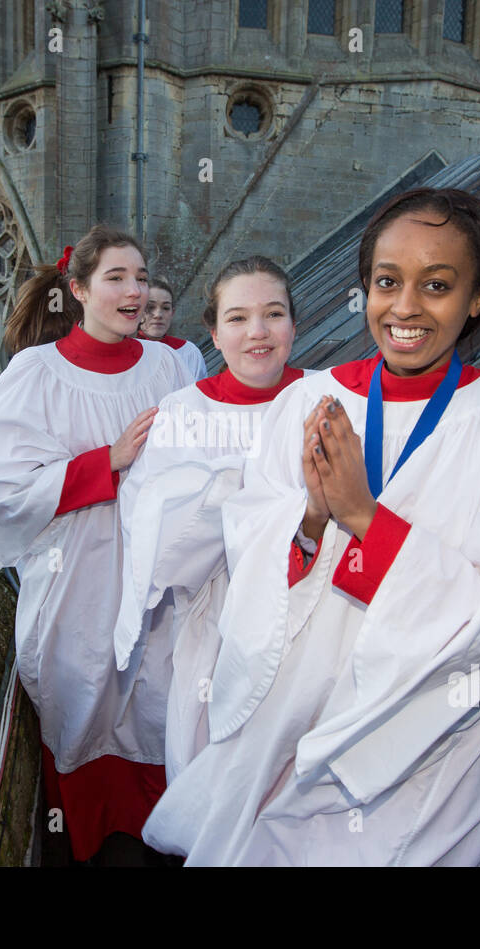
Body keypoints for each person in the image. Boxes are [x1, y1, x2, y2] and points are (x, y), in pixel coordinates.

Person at [141, 188, 480, 866]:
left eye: (437, 285)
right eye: (386, 282)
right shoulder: (310, 399)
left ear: (479, 297)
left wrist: (364, 515)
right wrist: (310, 515)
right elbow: (252, 543)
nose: (404, 308)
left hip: (415, 737)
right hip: (289, 713)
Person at [0, 225, 192, 863]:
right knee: (85, 702)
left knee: (154, 703)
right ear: (79, 289)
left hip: (154, 576)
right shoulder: (37, 371)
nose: (134, 291)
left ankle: (161, 838)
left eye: (141, 278)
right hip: (75, 576)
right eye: (116, 278)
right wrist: (104, 463)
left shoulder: (167, 365)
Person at [115, 257, 311, 784]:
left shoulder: (331, 397)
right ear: (214, 333)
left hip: (316, 624)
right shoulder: (183, 413)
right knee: (224, 782)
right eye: (238, 318)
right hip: (216, 629)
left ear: (295, 323)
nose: (258, 333)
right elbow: (152, 543)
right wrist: (237, 493)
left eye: (274, 314)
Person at [137, 277, 209, 381]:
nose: (158, 315)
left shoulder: (188, 351)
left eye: (165, 308)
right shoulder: (125, 351)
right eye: (150, 307)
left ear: (172, 313)